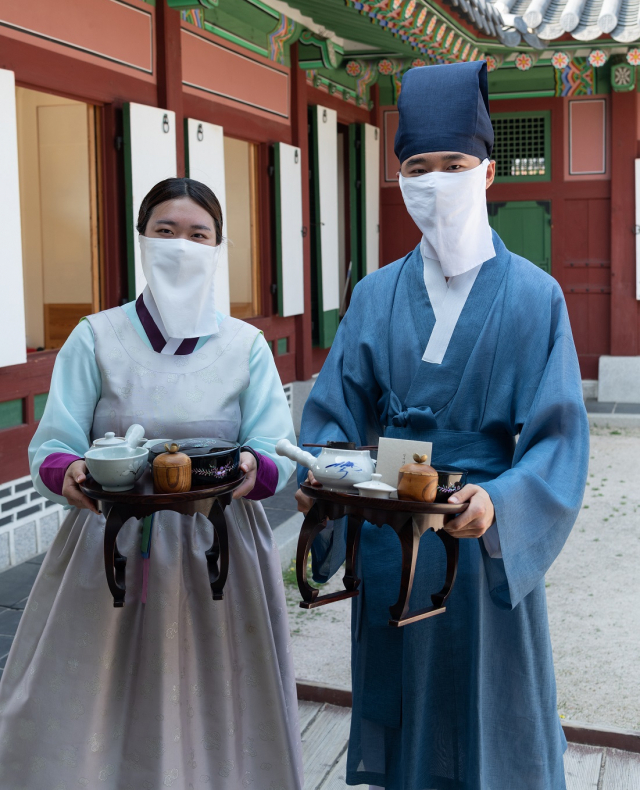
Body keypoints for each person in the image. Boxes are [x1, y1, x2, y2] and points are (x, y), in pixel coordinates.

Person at [295, 62, 589, 790]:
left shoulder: (534, 297)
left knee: (494, 711)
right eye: (416, 167)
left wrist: (501, 504)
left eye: (453, 164)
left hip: (480, 537)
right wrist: (323, 482)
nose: (435, 181)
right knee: (405, 722)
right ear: (398, 180)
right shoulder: (373, 295)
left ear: (487, 172)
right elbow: (333, 417)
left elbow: (557, 439)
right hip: (391, 543)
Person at [0, 178, 303, 789]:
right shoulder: (95, 337)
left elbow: (276, 448)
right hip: (109, 544)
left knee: (212, 691)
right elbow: (52, 445)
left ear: (219, 247)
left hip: (218, 548)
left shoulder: (245, 346)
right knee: (100, 694)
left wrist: (252, 470)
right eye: (166, 232)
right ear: (142, 241)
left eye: (199, 235)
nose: (182, 246)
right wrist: (73, 473)